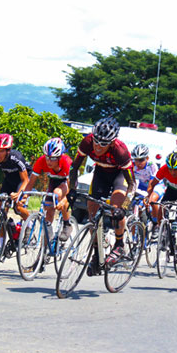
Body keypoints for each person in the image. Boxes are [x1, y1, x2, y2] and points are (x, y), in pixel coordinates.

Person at [68, 117, 136, 275]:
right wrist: (71, 189)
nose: (98, 147)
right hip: (100, 174)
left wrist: (124, 208)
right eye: (96, 141)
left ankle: (119, 245)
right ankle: (96, 253)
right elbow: (75, 167)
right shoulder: (87, 142)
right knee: (93, 211)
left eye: (104, 143)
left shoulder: (120, 151)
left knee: (116, 206)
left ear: (112, 142)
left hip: (120, 176)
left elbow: (131, 184)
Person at [147, 150, 177, 263]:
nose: (172, 172)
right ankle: (163, 231)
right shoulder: (164, 169)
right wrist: (148, 197)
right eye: (170, 169)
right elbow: (152, 184)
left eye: (176, 169)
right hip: (171, 191)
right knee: (161, 209)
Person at [23, 138, 73, 242]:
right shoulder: (41, 161)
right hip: (53, 180)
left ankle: (67, 223)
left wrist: (64, 199)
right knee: (48, 209)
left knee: (58, 194)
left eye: (53, 158)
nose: (49, 161)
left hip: (67, 182)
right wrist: (24, 197)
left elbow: (70, 186)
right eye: (47, 157)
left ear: (59, 157)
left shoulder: (66, 162)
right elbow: (31, 182)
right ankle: (45, 249)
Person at [131, 144, 165, 240]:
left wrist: (148, 197)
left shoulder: (152, 165)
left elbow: (152, 184)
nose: (138, 163)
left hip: (156, 185)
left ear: (147, 158)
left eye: (141, 160)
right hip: (141, 186)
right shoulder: (132, 165)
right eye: (136, 159)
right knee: (136, 207)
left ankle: (155, 224)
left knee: (152, 200)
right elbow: (130, 180)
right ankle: (134, 236)